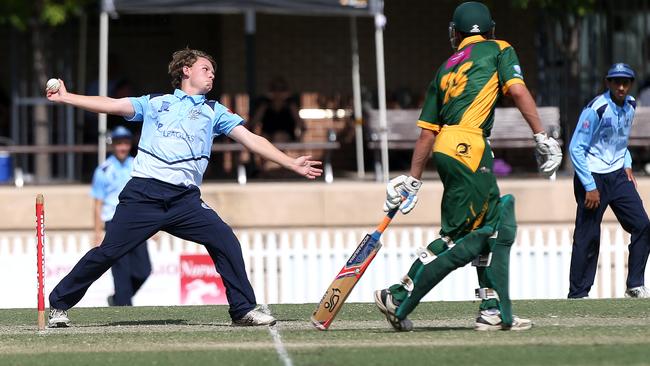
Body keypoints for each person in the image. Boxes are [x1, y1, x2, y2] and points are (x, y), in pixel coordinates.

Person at [45, 48, 322, 328]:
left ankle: (243, 310)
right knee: (108, 253)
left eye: (214, 71)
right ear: (186, 71)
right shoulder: (156, 103)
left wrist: (290, 162)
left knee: (225, 240)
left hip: (185, 201)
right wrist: (67, 97)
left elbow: (251, 139)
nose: (212, 74)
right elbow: (112, 105)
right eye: (206, 69)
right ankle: (58, 304)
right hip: (143, 195)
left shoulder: (213, 111)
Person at [373, 1, 562, 332]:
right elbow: (516, 90)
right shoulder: (499, 49)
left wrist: (414, 180)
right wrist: (541, 136)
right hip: (470, 146)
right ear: (489, 29)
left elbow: (427, 132)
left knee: (486, 227)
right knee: (458, 235)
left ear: (456, 33)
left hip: (447, 147)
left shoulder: (445, 67)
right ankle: (398, 293)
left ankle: (490, 306)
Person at [568, 63, 650, 299]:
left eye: (626, 82)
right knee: (588, 235)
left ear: (631, 83)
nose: (621, 87)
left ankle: (635, 285)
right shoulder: (597, 108)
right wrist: (590, 186)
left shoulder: (632, 105)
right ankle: (578, 294)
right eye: (617, 82)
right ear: (609, 83)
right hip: (592, 176)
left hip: (617, 175)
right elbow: (576, 148)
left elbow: (619, 141)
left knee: (643, 225)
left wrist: (627, 163)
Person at [91, 126, 151, 306]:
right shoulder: (103, 170)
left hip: (137, 221)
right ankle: (124, 306)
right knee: (121, 269)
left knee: (144, 269)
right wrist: (97, 231)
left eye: (125, 143)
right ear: (113, 145)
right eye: (119, 144)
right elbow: (97, 203)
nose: (122, 148)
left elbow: (147, 195)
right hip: (114, 222)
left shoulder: (138, 165)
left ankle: (118, 300)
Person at [251, 77, 304, 143]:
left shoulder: (290, 104)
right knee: (264, 137)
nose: (277, 92)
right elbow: (254, 122)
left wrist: (300, 138)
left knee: (278, 136)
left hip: (286, 135)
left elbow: (300, 123)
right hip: (267, 134)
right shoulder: (265, 104)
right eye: (274, 89)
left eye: (281, 89)